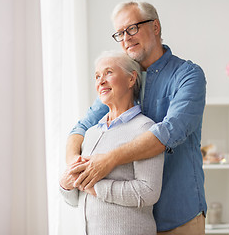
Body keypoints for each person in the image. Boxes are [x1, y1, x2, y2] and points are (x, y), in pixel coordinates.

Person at [67, 1, 207, 235]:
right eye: (119, 33)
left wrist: (108, 160)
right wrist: (74, 166)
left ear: (155, 27)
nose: (126, 39)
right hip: (133, 220)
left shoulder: (188, 76)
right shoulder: (121, 81)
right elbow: (80, 129)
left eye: (132, 28)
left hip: (179, 214)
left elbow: (167, 134)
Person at [59, 50, 164, 235]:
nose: (100, 81)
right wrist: (66, 185)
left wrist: (96, 187)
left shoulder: (145, 129)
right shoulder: (91, 134)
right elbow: (77, 199)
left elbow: (148, 191)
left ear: (131, 79)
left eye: (108, 72)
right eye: (97, 76)